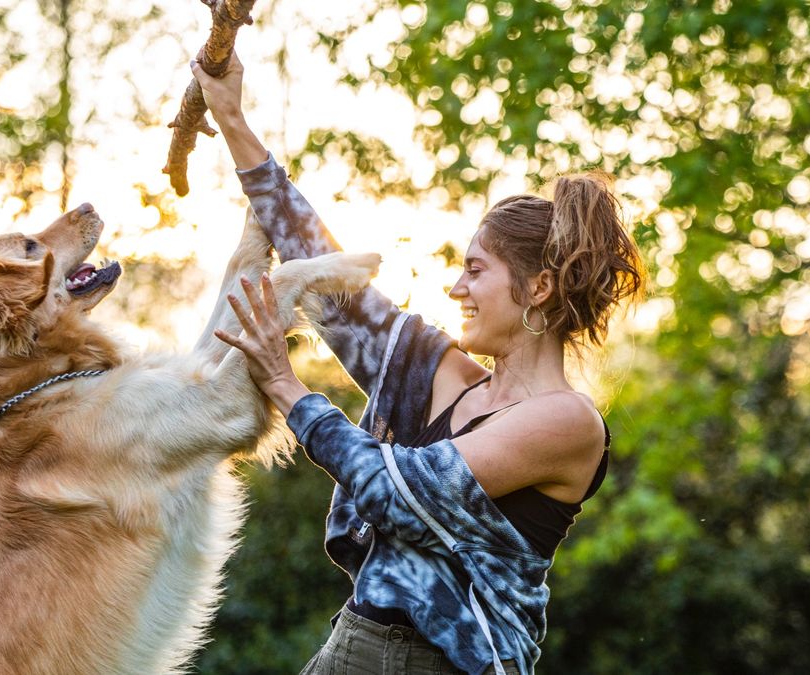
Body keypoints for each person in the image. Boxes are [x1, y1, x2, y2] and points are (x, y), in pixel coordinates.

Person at [193, 54, 645, 675]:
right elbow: (325, 271)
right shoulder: (438, 373)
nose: (457, 288)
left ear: (538, 289)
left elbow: (397, 492)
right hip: (351, 644)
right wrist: (233, 117)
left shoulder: (567, 423)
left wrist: (285, 385)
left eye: (476, 270)